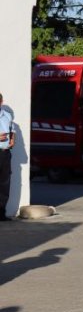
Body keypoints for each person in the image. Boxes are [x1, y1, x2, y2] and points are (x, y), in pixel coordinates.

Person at [0, 93, 15, 221]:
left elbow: (12, 129)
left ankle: (1, 212)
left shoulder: (7, 115)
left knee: (5, 183)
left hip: (5, 153)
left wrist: (12, 140)